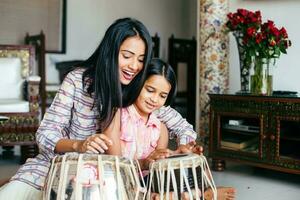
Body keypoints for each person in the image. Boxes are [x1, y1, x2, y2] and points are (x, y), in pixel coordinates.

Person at [0, 17, 197, 199]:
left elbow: (183, 127)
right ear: (111, 51)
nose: (134, 66)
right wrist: (79, 145)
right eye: (127, 56)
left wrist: (184, 146)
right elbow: (45, 134)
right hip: (54, 169)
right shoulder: (78, 81)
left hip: (107, 183)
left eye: (140, 59)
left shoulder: (139, 91)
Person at [104, 58, 235, 200]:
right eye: (150, 90)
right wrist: (144, 163)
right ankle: (194, 196)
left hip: (148, 181)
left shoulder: (159, 126)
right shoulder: (117, 114)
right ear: (137, 83)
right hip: (120, 181)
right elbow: (116, 166)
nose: (154, 99)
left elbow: (159, 166)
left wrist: (180, 152)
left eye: (162, 96)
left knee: (194, 158)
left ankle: (201, 191)